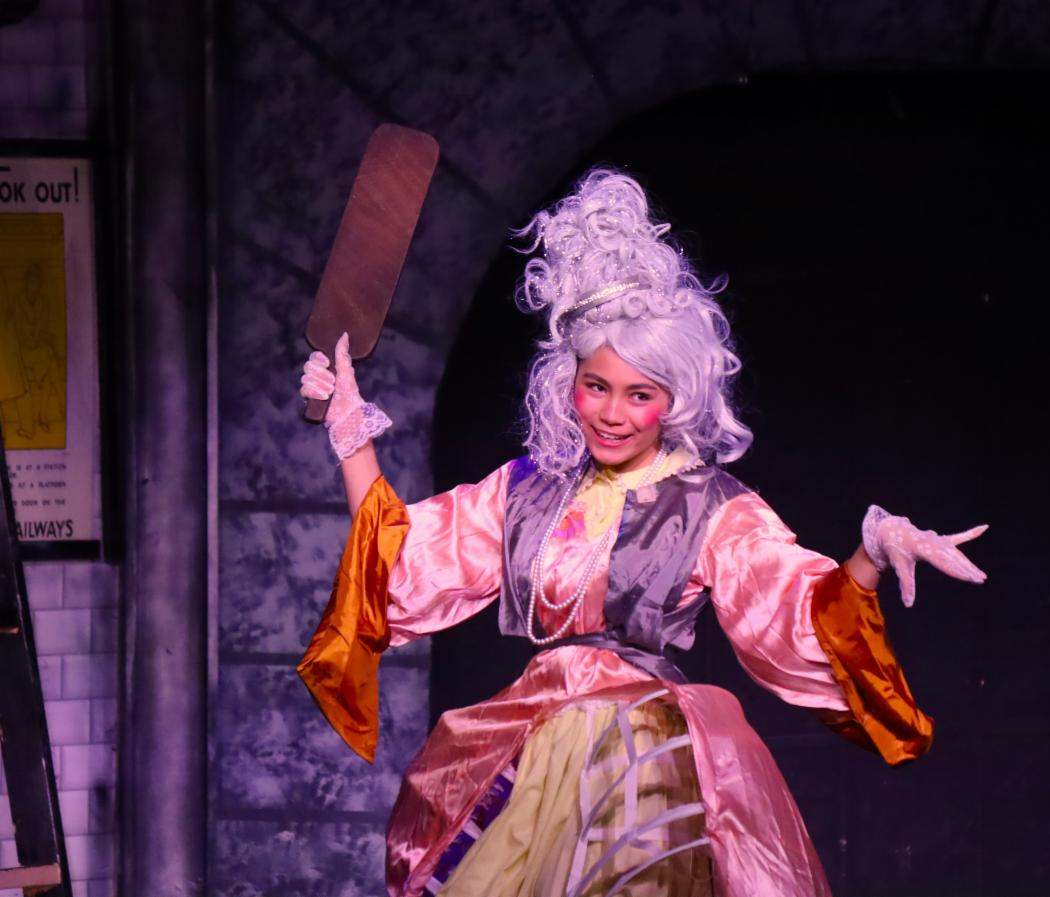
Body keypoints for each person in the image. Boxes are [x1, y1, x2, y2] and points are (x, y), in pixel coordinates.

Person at [296, 169, 987, 897]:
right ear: (568, 381)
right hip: (533, 744)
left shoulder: (709, 504)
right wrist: (349, 428)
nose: (612, 414)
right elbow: (398, 560)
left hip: (638, 761)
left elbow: (795, 609)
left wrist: (870, 552)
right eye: (596, 386)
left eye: (640, 394)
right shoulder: (529, 488)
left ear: (674, 400)